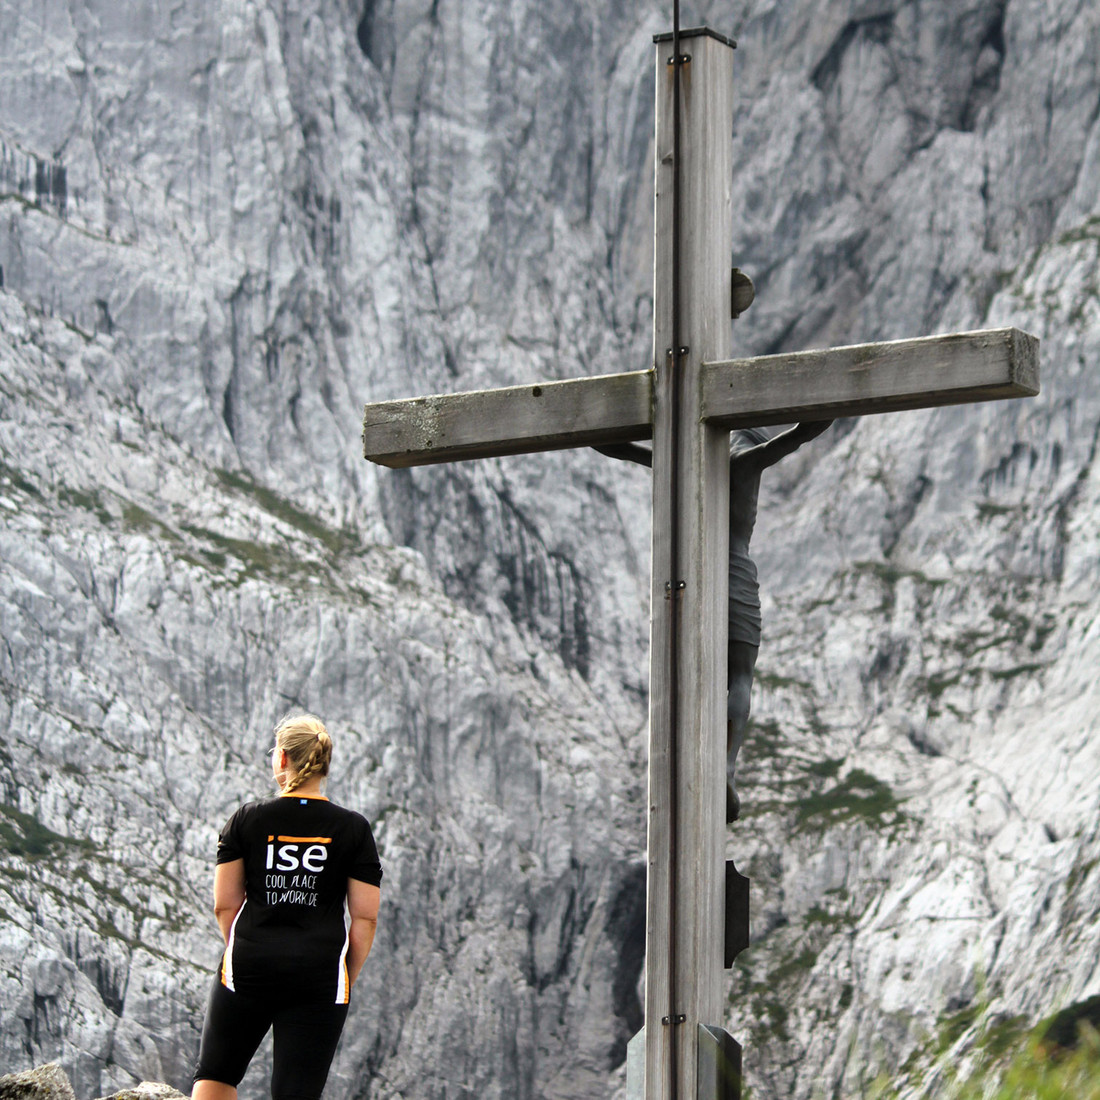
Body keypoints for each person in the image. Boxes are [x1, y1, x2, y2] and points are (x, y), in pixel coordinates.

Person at [596, 420, 831, 822]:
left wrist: (586, 430)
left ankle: (681, 756)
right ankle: (725, 766)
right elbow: (801, 435)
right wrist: (833, 402)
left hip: (689, 577)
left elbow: (617, 448)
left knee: (688, 675)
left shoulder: (685, 465)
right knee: (740, 677)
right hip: (735, 571)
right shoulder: (749, 461)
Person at [191, 713, 382, 1100]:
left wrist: (246, 949)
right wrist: (344, 976)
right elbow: (365, 917)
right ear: (324, 764)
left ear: (281, 760)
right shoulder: (353, 829)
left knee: (217, 1073)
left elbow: (224, 906)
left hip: (249, 964)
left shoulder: (246, 819)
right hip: (319, 974)